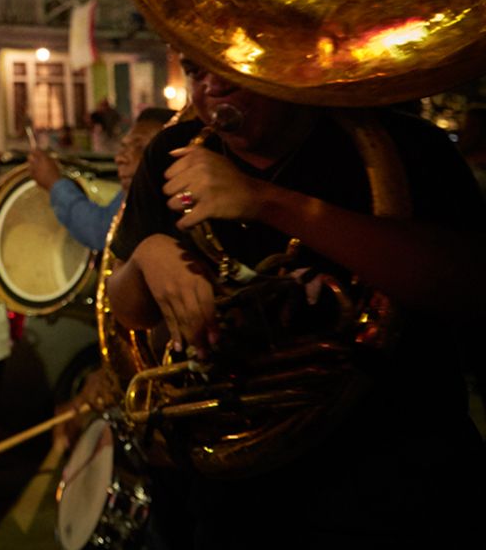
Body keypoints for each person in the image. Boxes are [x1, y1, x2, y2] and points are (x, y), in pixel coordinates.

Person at [106, 59, 486, 547]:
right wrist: (145, 257)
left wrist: (267, 201)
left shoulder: (407, 147)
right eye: (195, 69)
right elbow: (129, 312)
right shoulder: (172, 152)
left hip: (398, 491)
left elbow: (467, 288)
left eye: (235, 65)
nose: (211, 87)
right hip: (233, 504)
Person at [27, 106, 175, 250]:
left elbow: (102, 230)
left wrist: (54, 184)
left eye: (141, 148)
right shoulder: (133, 191)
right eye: (124, 146)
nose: (120, 158)